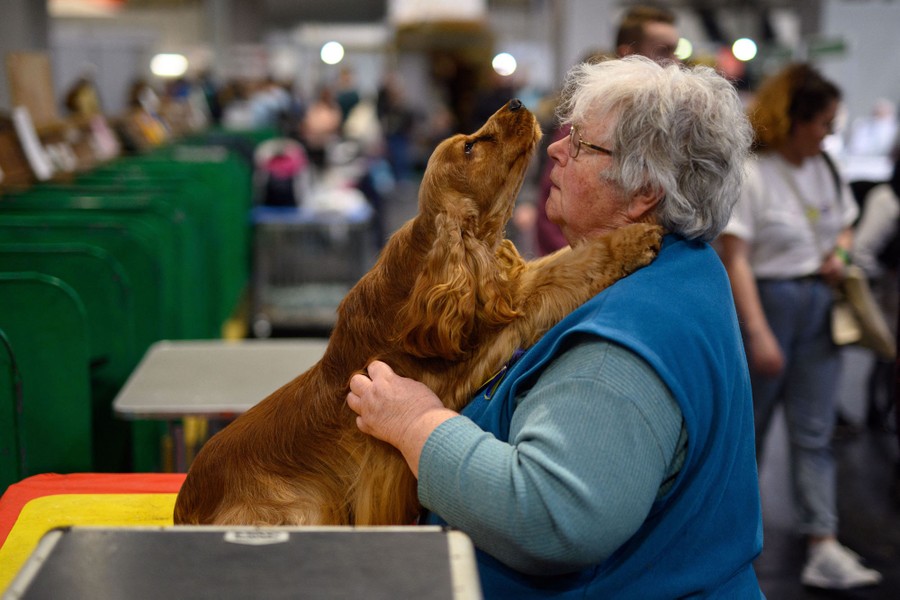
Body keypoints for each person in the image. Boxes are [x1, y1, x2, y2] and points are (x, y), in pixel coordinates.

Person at [347, 56, 763, 597]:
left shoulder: (620, 351)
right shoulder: (679, 269)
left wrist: (417, 425)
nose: (555, 149)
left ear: (644, 193)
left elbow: (550, 516)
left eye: (584, 145)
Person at [717, 63, 883, 590]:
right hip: (769, 303)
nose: (829, 133)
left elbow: (847, 226)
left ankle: (822, 543)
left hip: (819, 304)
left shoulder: (826, 166)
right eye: (823, 122)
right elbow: (736, 257)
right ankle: (726, 544)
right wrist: (758, 332)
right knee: (750, 432)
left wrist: (837, 252)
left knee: (815, 433)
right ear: (793, 118)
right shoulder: (751, 173)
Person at [534, 4, 680, 256]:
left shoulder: (671, 125)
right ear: (628, 55)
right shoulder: (591, 122)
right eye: (664, 51)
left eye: (676, 51)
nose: (675, 63)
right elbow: (553, 210)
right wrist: (580, 271)